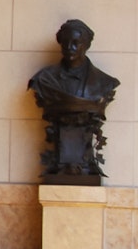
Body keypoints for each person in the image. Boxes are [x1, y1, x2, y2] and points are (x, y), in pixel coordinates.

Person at [29, 19, 118, 178]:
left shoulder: (104, 83)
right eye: (66, 43)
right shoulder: (44, 80)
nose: (70, 48)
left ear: (86, 45)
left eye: (76, 43)